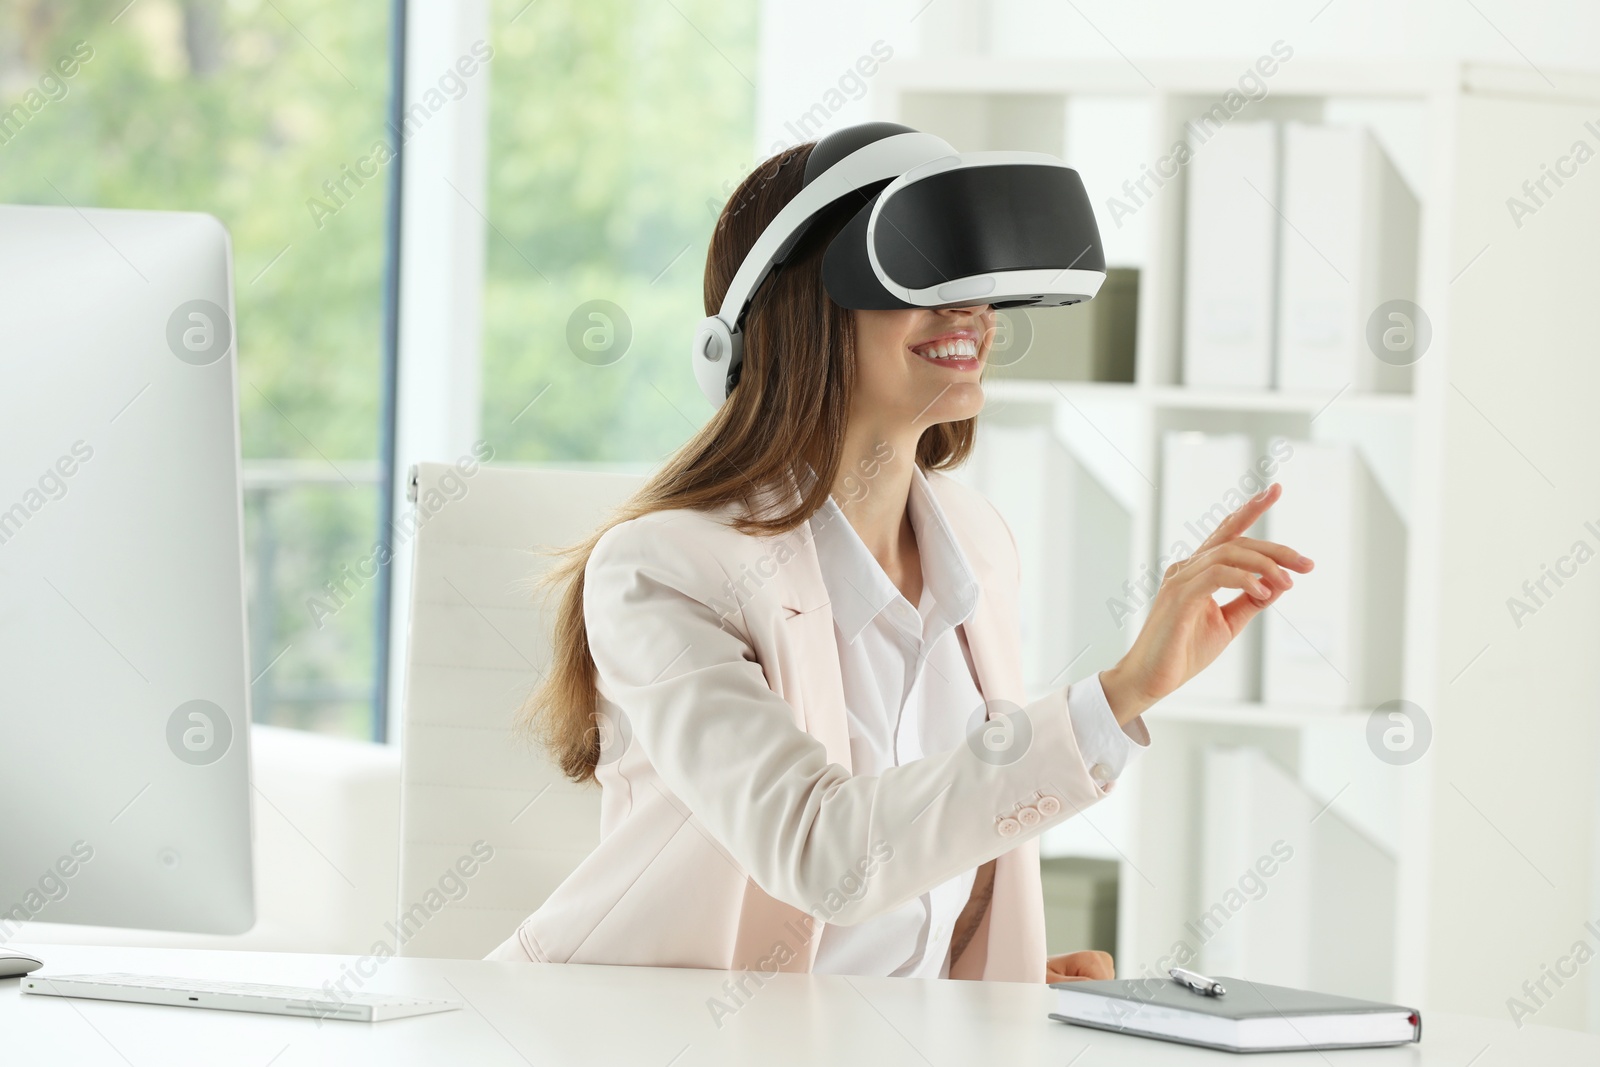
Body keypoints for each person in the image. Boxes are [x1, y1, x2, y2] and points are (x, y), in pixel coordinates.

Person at [485, 139, 1312, 984]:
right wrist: (1117, 696)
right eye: (923, 272)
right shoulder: (662, 570)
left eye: (977, 285)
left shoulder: (979, 543)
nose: (971, 314)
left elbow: (931, 864)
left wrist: (999, 982)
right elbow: (822, 850)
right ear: (800, 307)